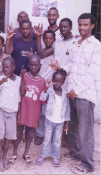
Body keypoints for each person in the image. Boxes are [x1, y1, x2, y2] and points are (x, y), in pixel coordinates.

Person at [49, 13, 100, 174]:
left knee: (85, 130)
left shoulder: (96, 45)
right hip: (71, 92)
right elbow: (70, 65)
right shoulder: (75, 43)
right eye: (80, 24)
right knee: (72, 127)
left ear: (92, 26)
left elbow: (93, 72)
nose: (82, 28)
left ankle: (87, 165)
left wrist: (76, 90)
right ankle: (76, 153)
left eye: (86, 25)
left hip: (84, 94)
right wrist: (61, 69)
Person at [9, 55, 46, 166]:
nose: (34, 67)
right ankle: (14, 153)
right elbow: (21, 94)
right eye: (32, 64)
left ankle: (26, 153)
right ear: (28, 65)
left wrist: (39, 116)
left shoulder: (43, 81)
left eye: (36, 65)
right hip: (23, 111)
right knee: (18, 133)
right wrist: (19, 113)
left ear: (39, 65)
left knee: (30, 134)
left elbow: (41, 101)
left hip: (34, 113)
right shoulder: (23, 76)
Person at [0, 57, 21, 172]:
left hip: (12, 113)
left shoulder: (18, 80)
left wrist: (19, 113)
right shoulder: (0, 79)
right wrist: (0, 83)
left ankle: (4, 157)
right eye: (4, 67)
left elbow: (19, 97)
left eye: (8, 67)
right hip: (0, 111)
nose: (5, 69)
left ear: (14, 67)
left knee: (8, 137)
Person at [35, 70, 70, 167]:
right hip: (49, 120)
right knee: (46, 139)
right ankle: (43, 156)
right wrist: (45, 89)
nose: (57, 83)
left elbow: (67, 109)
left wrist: (67, 122)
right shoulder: (50, 90)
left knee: (57, 140)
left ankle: (55, 157)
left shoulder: (65, 93)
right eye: (55, 81)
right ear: (52, 80)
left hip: (60, 121)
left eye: (60, 81)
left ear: (63, 82)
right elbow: (42, 99)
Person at [34, 29, 57, 145]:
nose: (48, 40)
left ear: (54, 40)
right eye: (46, 38)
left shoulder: (55, 52)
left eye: (50, 38)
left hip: (50, 86)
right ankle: (39, 135)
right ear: (43, 39)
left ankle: (48, 135)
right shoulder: (40, 52)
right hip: (39, 85)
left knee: (47, 111)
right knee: (38, 112)